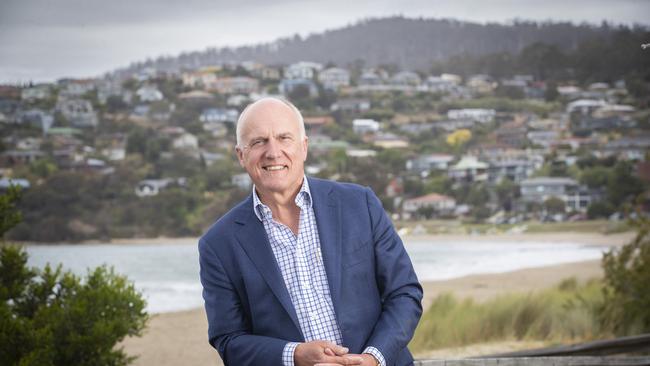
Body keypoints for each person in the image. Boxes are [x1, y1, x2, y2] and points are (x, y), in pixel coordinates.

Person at [198, 97, 423, 366]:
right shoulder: (219, 244)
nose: (273, 152)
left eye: (284, 138)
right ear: (241, 155)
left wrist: (371, 359)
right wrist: (295, 355)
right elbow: (229, 340)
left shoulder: (359, 204)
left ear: (304, 147)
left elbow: (405, 293)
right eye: (259, 142)